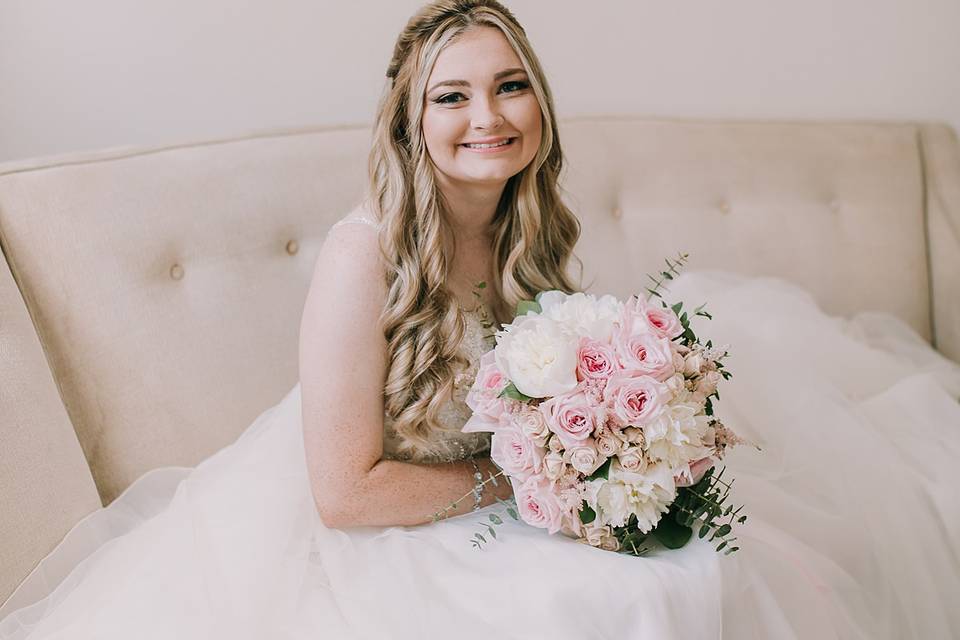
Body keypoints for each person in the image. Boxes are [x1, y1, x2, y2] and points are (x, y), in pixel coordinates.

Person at [3, 1, 960, 638]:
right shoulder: (362, 255)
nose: (486, 116)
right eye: (451, 95)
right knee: (619, 604)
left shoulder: (526, 230)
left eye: (509, 85)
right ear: (410, 122)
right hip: (386, 532)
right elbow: (345, 495)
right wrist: (538, 474)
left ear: (538, 100)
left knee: (727, 555)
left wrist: (635, 441)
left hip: (502, 501)